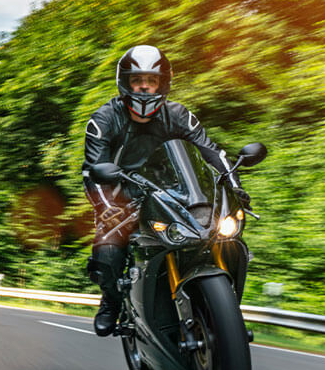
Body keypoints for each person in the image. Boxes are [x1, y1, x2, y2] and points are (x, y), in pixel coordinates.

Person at [82, 45, 251, 336]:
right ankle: (110, 300)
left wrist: (234, 185)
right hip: (124, 197)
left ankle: (226, 315)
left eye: (152, 80)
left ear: (163, 83)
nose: (145, 87)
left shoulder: (179, 115)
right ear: (126, 82)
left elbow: (210, 151)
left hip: (177, 192)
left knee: (224, 234)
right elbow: (92, 170)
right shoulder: (104, 119)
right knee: (109, 253)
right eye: (138, 80)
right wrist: (105, 206)